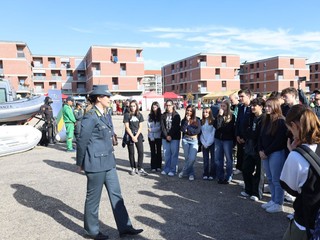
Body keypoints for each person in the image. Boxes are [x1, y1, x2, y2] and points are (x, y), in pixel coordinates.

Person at [76, 85, 143, 239]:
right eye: (107, 96)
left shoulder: (105, 114)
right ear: (99, 98)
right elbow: (81, 141)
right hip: (95, 164)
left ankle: (125, 227)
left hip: (108, 162)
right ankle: (92, 231)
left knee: (117, 195)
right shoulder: (90, 116)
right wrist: (80, 163)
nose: (109, 99)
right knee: (93, 200)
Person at [281, 104, 320, 240]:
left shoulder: (296, 156)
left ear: (294, 125)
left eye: (290, 129)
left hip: (307, 221)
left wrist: (293, 153)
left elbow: (291, 189)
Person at [259, 97, 287, 213]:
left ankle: (279, 203)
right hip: (265, 153)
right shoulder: (266, 119)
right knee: (269, 178)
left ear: (275, 107)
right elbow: (260, 136)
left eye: (269, 106)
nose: (266, 108)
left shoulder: (281, 121)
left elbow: (279, 141)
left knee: (276, 179)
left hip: (275, 153)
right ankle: (273, 199)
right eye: (266, 106)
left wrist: (266, 151)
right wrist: (260, 150)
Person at [241, 98, 265, 201]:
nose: (252, 107)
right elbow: (244, 129)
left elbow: (260, 134)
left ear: (261, 106)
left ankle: (257, 193)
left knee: (259, 173)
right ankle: (248, 189)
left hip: (259, 149)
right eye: (252, 105)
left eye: (255, 105)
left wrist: (251, 133)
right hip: (249, 147)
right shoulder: (250, 117)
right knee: (246, 169)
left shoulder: (264, 118)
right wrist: (249, 133)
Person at [123, 100, 147, 176]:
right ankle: (133, 167)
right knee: (131, 152)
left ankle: (139, 168)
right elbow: (127, 127)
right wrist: (132, 136)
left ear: (136, 106)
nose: (132, 107)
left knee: (140, 151)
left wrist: (136, 136)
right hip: (129, 134)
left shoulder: (139, 115)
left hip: (138, 134)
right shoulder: (127, 115)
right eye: (131, 106)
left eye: (134, 106)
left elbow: (141, 127)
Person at [214, 100, 236, 184]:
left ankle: (228, 176)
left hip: (227, 139)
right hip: (218, 139)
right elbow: (216, 126)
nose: (222, 108)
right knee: (218, 159)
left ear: (227, 107)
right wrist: (219, 117)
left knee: (228, 159)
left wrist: (221, 128)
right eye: (221, 106)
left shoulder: (232, 116)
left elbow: (228, 129)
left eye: (224, 106)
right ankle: (220, 176)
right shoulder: (218, 115)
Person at [179, 104, 201, 181]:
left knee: (192, 158)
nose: (188, 112)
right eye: (187, 110)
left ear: (193, 112)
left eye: (190, 111)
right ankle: (191, 174)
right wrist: (187, 122)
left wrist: (188, 130)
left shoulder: (197, 120)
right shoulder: (183, 120)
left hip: (194, 140)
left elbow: (197, 131)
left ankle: (184, 171)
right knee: (187, 158)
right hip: (185, 140)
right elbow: (182, 129)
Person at [161, 99, 181, 176]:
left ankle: (173, 170)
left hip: (174, 137)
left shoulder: (176, 115)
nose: (168, 107)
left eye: (170, 105)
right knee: (166, 154)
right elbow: (162, 127)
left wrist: (170, 135)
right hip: (165, 137)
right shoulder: (163, 115)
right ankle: (166, 168)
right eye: (167, 105)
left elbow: (176, 127)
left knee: (174, 154)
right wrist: (166, 136)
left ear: (173, 106)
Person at [235, 89, 252, 175]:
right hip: (240, 136)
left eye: (242, 96)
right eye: (239, 96)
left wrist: (245, 138)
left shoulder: (252, 107)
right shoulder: (240, 107)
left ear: (248, 96)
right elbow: (238, 121)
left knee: (247, 155)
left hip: (248, 137)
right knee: (240, 152)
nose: (240, 98)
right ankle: (239, 167)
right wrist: (237, 135)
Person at [200, 107, 216, 180]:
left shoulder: (213, 121)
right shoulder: (201, 121)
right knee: (205, 160)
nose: (205, 113)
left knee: (213, 160)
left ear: (210, 113)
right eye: (204, 112)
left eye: (206, 112)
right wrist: (204, 142)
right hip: (204, 142)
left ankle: (212, 173)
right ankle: (205, 173)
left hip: (212, 142)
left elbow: (213, 133)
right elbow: (200, 133)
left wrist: (208, 143)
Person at [147, 101, 162, 172]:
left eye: (155, 107)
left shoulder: (161, 116)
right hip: (151, 137)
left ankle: (159, 165)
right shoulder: (149, 116)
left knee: (159, 151)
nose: (154, 109)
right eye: (153, 107)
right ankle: (153, 166)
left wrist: (152, 129)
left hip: (159, 136)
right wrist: (151, 134)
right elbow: (148, 127)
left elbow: (159, 127)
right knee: (153, 151)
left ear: (158, 107)